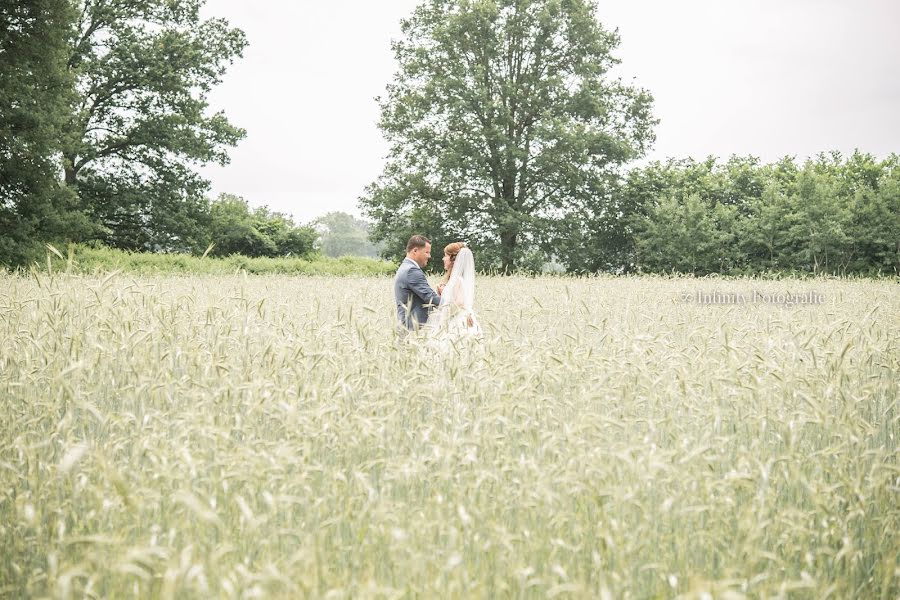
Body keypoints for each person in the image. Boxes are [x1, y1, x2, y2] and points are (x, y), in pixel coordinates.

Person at [427, 242, 481, 343]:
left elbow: (459, 302)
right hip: (463, 319)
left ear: (452, 260)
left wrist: (443, 295)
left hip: (457, 323)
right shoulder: (458, 279)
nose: (443, 258)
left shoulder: (456, 280)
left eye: (445, 256)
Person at [394, 234, 441, 332]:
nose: (429, 256)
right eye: (427, 252)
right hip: (413, 328)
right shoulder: (411, 270)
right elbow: (429, 297)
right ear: (415, 251)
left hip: (408, 327)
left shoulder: (405, 267)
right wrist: (455, 305)